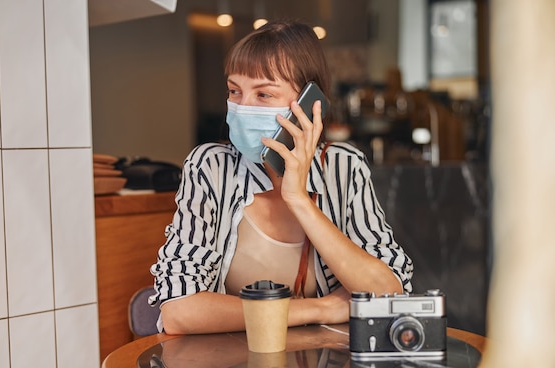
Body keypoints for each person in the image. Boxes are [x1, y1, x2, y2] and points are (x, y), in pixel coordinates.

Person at [149, 19, 413, 335]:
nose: (242, 107)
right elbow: (179, 311)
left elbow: (390, 294)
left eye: (263, 95)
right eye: (234, 90)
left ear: (309, 104)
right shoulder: (210, 167)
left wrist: (299, 199)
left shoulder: (344, 167)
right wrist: (321, 308)